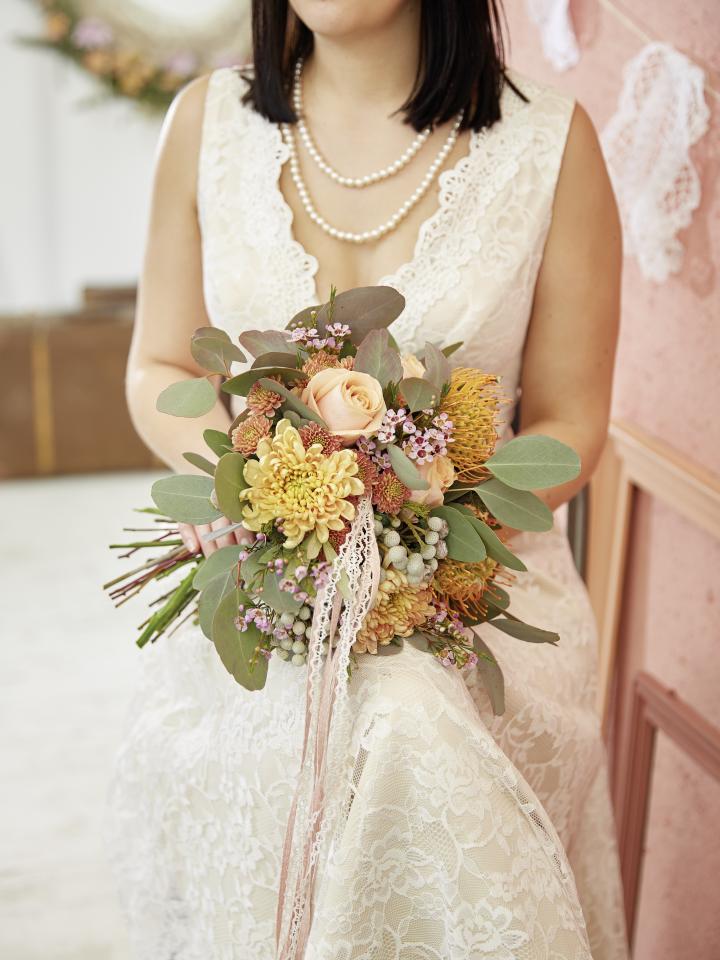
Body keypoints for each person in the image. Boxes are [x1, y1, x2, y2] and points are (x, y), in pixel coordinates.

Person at [108, 2, 628, 958]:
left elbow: (571, 421)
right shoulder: (204, 122)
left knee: (402, 712)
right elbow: (158, 368)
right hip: (261, 580)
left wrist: (413, 529)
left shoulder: (553, 145)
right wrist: (253, 495)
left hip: (479, 580)